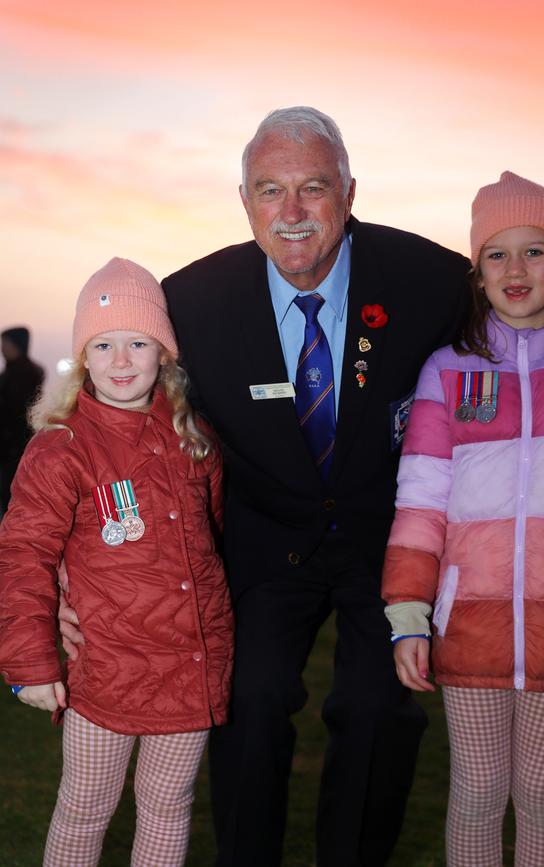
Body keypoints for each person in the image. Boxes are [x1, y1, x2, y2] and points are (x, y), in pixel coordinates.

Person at [60, 107, 469, 866]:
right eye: (268, 190)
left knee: (379, 709)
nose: (291, 213)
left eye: (312, 187)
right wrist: (66, 571)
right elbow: (114, 442)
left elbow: (527, 347)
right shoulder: (191, 302)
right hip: (258, 541)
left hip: (387, 543)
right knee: (245, 702)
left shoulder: (434, 280)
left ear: (349, 191)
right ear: (242, 199)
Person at [382, 171, 544, 867]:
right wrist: (409, 611)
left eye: (535, 251)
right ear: (477, 271)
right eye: (497, 253)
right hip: (469, 620)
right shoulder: (447, 370)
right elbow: (418, 503)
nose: (516, 269)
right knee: (475, 791)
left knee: (543, 792)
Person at [0, 258, 233, 867]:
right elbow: (25, 553)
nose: (121, 360)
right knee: (83, 811)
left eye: (138, 342)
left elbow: (209, 538)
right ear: (84, 357)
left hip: (188, 670)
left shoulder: (193, 441)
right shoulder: (60, 449)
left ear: (164, 354)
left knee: (168, 807)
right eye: (103, 345)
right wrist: (30, 657)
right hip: (105, 672)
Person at [0, 326, 44, 514]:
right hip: (11, 446)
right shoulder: (12, 373)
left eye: (6, 343)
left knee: (12, 499)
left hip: (16, 446)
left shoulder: (24, 373)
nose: (3, 348)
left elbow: (17, 409)